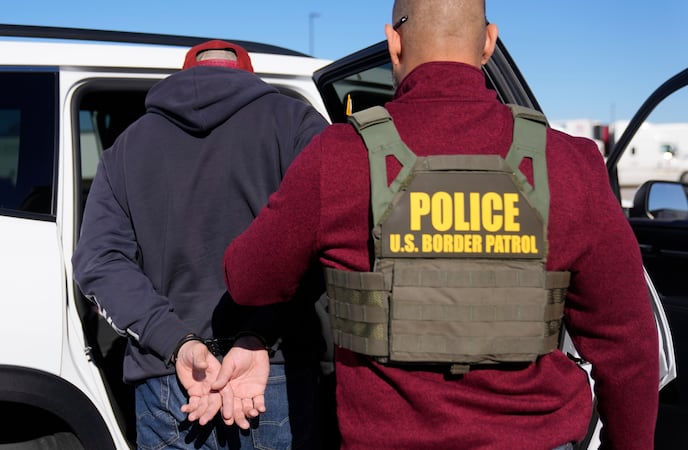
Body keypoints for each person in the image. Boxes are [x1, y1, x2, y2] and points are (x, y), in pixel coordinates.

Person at [221, 1, 660, 449]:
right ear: (489, 41)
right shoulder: (569, 164)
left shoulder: (337, 157)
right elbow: (628, 348)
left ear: (394, 44)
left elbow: (248, 280)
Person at [72, 39, 331, 450]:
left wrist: (176, 341)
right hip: (272, 370)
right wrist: (260, 333)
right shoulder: (297, 124)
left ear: (185, 75)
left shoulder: (126, 146)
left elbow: (100, 261)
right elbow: (329, 233)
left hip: (170, 376)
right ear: (249, 78)